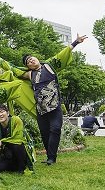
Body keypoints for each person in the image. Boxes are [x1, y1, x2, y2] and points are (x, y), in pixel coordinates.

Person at [20, 34, 87, 165]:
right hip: (41, 109)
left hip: (55, 106)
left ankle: (52, 157)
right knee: (44, 133)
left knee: (55, 129)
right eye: (28, 62)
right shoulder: (29, 74)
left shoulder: (49, 66)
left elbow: (62, 54)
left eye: (31, 59)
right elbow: (15, 72)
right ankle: (50, 157)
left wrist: (76, 42)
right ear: (28, 67)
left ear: (36, 58)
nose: (31, 61)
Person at [0, 104, 35, 173]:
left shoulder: (16, 120)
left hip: (21, 149)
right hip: (7, 151)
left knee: (17, 146)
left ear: (8, 113)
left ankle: (21, 168)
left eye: (2, 112)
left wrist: (2, 141)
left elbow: (18, 138)